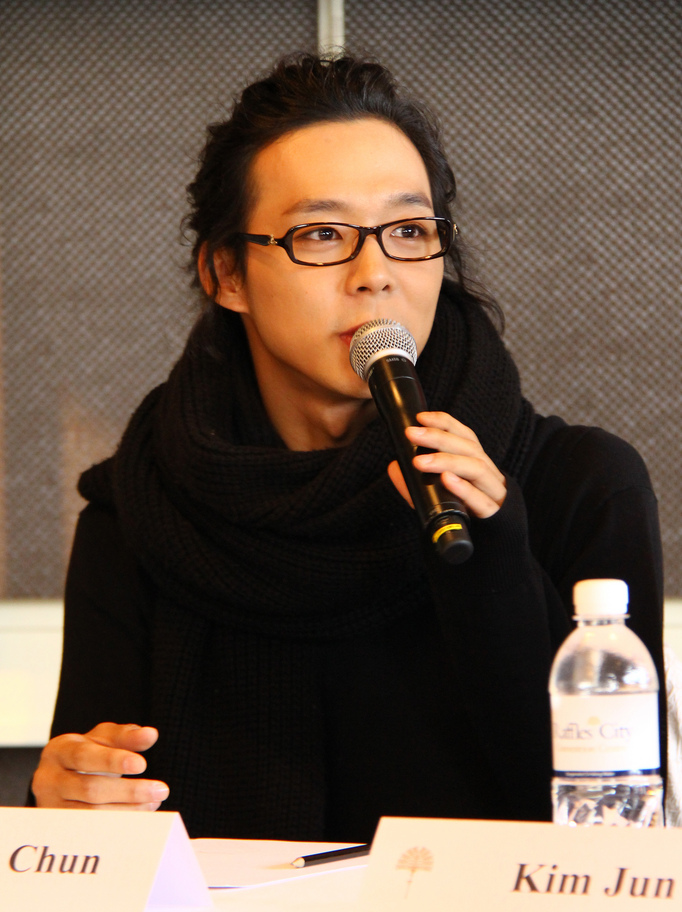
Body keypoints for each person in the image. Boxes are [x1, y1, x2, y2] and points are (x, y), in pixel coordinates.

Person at [32, 53, 665, 841]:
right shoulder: (140, 508)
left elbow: (608, 836)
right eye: (323, 234)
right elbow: (94, 822)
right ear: (227, 274)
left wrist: (492, 564)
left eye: (408, 231)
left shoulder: (583, 487)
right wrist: (65, 803)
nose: (375, 274)